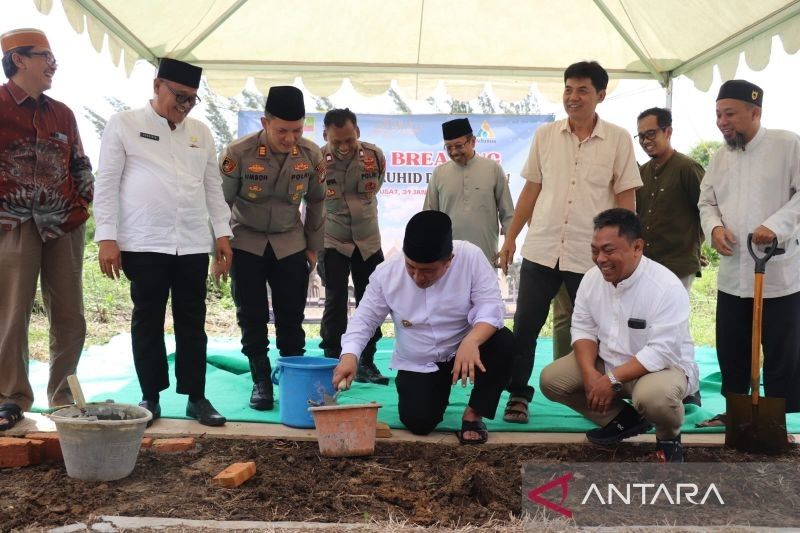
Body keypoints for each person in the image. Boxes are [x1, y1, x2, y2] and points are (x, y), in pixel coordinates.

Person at [497, 61, 642, 424]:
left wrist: (628, 249)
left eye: (582, 90)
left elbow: (626, 197)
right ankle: (518, 395)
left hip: (592, 257)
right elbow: (531, 188)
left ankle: (610, 394)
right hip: (542, 248)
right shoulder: (546, 135)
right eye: (568, 89)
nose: (572, 97)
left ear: (600, 96)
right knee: (526, 326)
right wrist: (511, 236)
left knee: (603, 329)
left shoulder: (619, 138)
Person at [94, 58, 232, 427]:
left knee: (193, 319)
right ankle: (150, 396)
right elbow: (106, 183)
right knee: (147, 319)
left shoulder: (200, 132)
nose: (185, 106)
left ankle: (196, 398)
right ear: (157, 86)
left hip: (190, 242)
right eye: (179, 96)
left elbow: (212, 187)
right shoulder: (124, 124)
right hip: (143, 240)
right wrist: (106, 237)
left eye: (192, 99)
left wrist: (222, 232)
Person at [332, 211, 513, 444]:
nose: (418, 277)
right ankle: (431, 391)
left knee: (504, 342)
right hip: (420, 359)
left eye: (428, 271)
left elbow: (492, 308)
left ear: (449, 261)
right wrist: (350, 356)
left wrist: (472, 341)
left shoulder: (470, 258)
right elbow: (364, 320)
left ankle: (473, 414)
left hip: (465, 350)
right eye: (411, 267)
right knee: (419, 421)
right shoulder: (387, 274)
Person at [540, 209, 697, 463]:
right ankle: (624, 420)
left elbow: (661, 351)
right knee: (552, 380)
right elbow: (582, 328)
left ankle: (669, 438)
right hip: (609, 363)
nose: (600, 259)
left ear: (637, 247)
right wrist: (591, 374)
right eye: (595, 251)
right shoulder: (592, 279)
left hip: (660, 370)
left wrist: (610, 379)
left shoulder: (665, 287)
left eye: (609, 250)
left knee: (654, 399)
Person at [0, 29, 94, 431]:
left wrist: (83, 203)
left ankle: (64, 397)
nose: (53, 64)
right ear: (19, 60)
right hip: (13, 224)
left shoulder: (63, 113)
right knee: (12, 314)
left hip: (63, 224)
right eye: (45, 56)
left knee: (71, 315)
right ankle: (11, 398)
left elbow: (80, 163)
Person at [697, 79, 800, 431]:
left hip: (778, 273)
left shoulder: (787, 145)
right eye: (718, 115)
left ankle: (778, 422)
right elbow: (706, 201)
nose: (722, 122)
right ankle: (735, 414)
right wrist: (714, 229)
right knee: (731, 348)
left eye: (730, 114)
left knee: (781, 351)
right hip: (732, 273)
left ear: (755, 112)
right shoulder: (720, 157)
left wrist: (776, 225)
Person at [220, 86, 325, 411]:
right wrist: (220, 245)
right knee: (250, 316)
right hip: (246, 242)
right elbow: (220, 202)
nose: (290, 138)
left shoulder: (311, 154)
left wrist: (312, 248)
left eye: (297, 130)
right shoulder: (238, 152)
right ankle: (261, 380)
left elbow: (317, 201)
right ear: (265, 122)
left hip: (290, 242)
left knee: (291, 319)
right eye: (282, 130)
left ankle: (292, 380)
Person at [636, 107, 704, 407]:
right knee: (649, 327)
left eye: (651, 134)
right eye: (641, 136)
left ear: (668, 131)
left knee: (677, 328)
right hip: (646, 266)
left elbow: (709, 212)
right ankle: (655, 383)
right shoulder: (641, 172)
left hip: (677, 263)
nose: (646, 141)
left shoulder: (688, 168)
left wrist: (696, 245)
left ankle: (690, 385)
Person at [317, 108, 389, 385]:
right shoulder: (317, 161)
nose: (345, 147)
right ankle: (332, 359)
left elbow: (375, 189)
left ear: (357, 132)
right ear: (326, 136)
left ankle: (366, 362)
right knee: (335, 300)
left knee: (371, 301)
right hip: (332, 239)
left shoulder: (374, 156)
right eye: (338, 142)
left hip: (368, 240)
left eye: (350, 139)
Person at [423, 117, 514, 265]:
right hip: (448, 257)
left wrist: (509, 242)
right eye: (448, 147)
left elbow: (508, 213)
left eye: (458, 146)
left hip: (485, 254)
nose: (454, 152)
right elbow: (429, 217)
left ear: (473, 141)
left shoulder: (493, 169)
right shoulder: (439, 173)